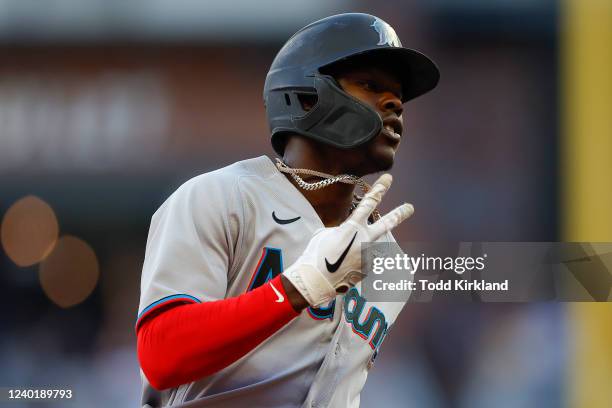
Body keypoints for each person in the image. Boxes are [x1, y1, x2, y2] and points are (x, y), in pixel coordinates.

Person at [136, 12, 439, 407]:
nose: (395, 103)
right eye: (370, 84)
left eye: (398, 94)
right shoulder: (221, 198)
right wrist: (299, 288)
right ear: (306, 94)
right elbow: (162, 354)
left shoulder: (391, 260)